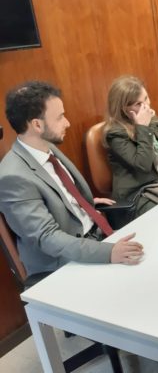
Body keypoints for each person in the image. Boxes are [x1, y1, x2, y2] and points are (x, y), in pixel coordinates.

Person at [0, 81, 143, 278]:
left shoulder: (48, 147)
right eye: (60, 117)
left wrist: (80, 202)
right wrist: (109, 253)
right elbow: (48, 238)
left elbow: (54, 192)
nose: (67, 122)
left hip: (95, 236)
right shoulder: (12, 176)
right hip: (62, 265)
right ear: (37, 125)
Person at [103, 76, 158, 217]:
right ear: (123, 109)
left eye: (146, 98)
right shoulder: (115, 134)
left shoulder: (151, 120)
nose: (146, 106)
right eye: (139, 103)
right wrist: (142, 127)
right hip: (137, 195)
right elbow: (142, 165)